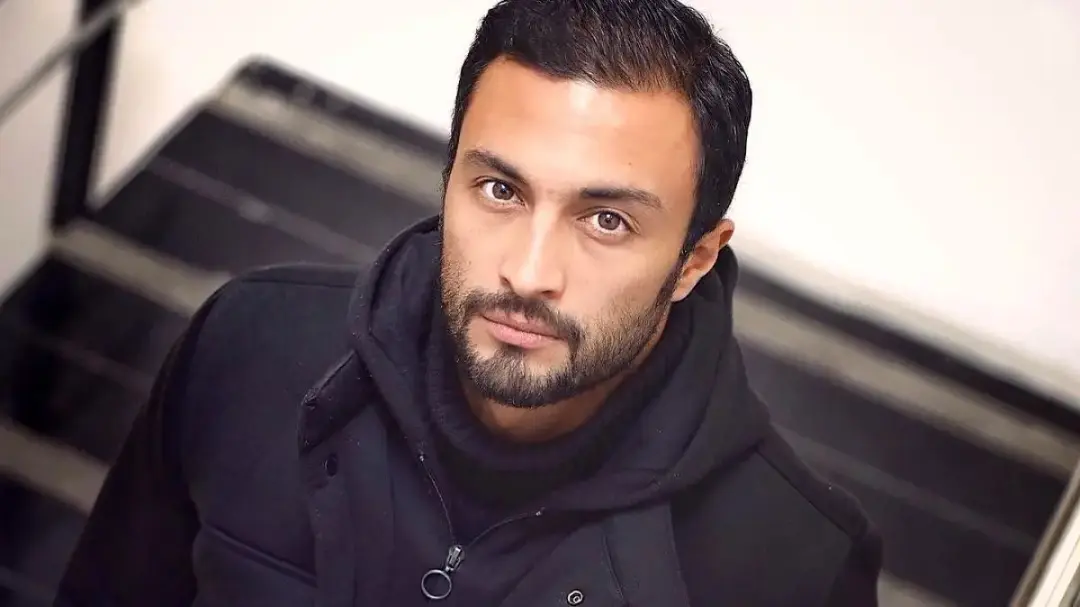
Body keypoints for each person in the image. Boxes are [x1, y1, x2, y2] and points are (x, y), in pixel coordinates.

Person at [56, 0, 883, 605]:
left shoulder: (798, 563)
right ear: (449, 177)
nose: (528, 271)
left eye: (606, 219)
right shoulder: (246, 345)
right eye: (500, 189)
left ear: (694, 258)